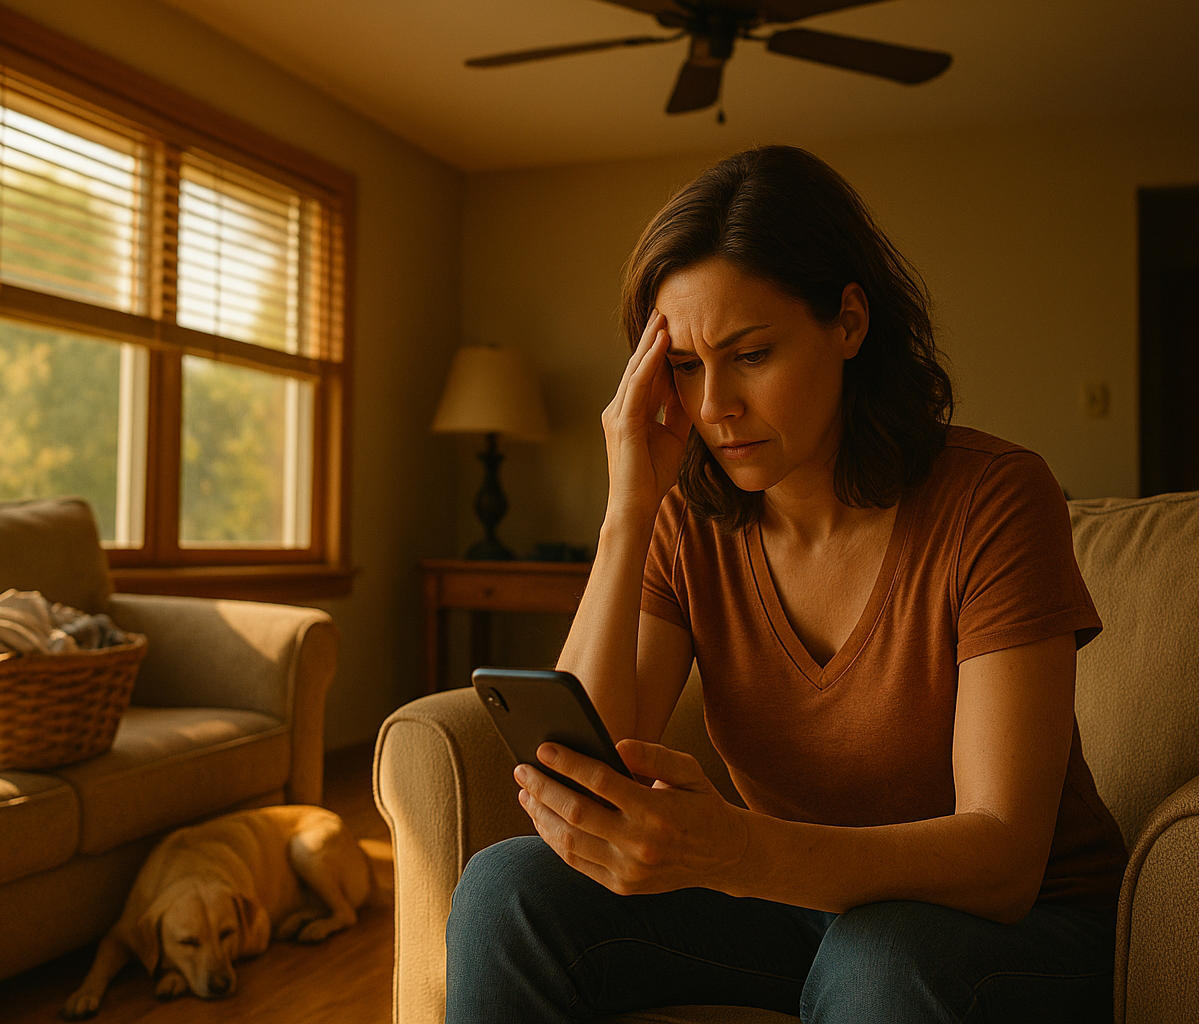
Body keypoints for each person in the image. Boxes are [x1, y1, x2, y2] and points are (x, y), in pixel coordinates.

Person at [445, 145, 1128, 1024]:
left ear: (848, 322)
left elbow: (1001, 857)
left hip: (1019, 930)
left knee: (879, 954)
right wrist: (628, 512)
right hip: (799, 912)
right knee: (509, 887)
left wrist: (740, 852)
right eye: (685, 367)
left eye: (752, 353)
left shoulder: (993, 499)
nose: (715, 404)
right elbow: (592, 769)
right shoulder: (688, 519)